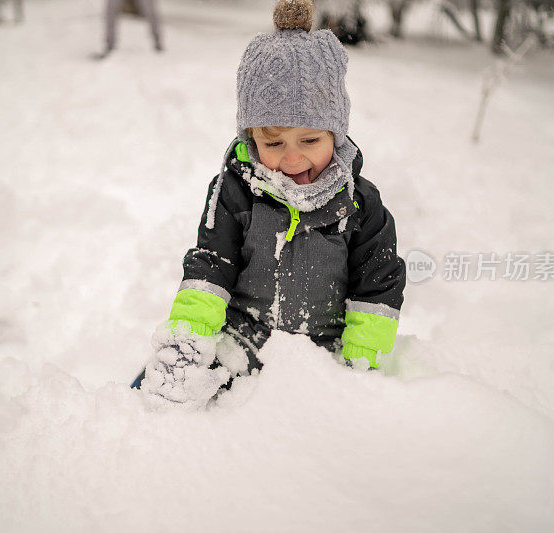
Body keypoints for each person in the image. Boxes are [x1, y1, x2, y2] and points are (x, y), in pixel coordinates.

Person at [136, 0, 406, 408]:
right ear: (251, 138)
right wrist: (187, 343)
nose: (292, 159)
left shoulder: (359, 203)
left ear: (337, 132)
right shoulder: (236, 191)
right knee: (162, 396)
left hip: (322, 351)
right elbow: (211, 267)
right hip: (242, 337)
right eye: (273, 143)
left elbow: (377, 288)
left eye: (310, 140)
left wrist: (360, 365)